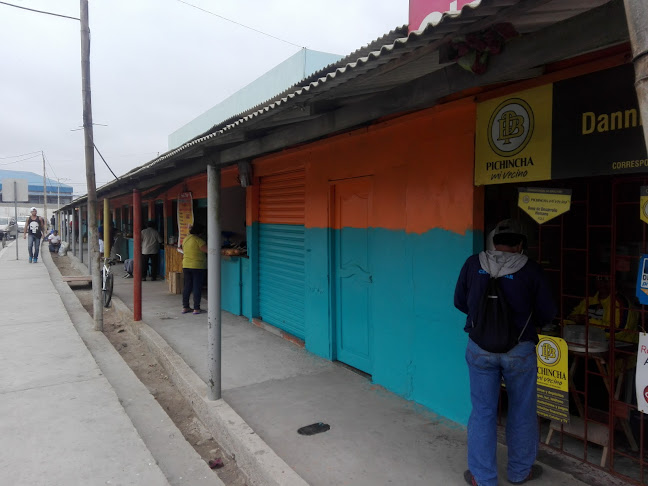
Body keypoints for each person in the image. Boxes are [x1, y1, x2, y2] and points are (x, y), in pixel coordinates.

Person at [454, 219, 556, 486]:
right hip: (519, 351)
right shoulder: (532, 270)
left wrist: (483, 319)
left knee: (483, 412)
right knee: (522, 411)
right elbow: (547, 313)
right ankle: (520, 472)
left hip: (479, 349)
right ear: (520, 244)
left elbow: (459, 302)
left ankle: (483, 477)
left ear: (493, 242)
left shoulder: (472, 264)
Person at [567, 274, 639, 345]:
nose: (603, 282)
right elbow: (571, 318)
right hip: (591, 343)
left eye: (607, 279)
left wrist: (587, 321)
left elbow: (618, 332)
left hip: (621, 346)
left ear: (615, 281)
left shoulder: (620, 302)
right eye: (599, 278)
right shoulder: (589, 299)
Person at [181, 223, 207, 315]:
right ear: (200, 232)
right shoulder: (199, 241)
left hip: (186, 265)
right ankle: (196, 308)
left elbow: (184, 250)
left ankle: (185, 307)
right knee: (197, 287)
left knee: (187, 286)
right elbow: (207, 250)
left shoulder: (186, 239)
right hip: (197, 266)